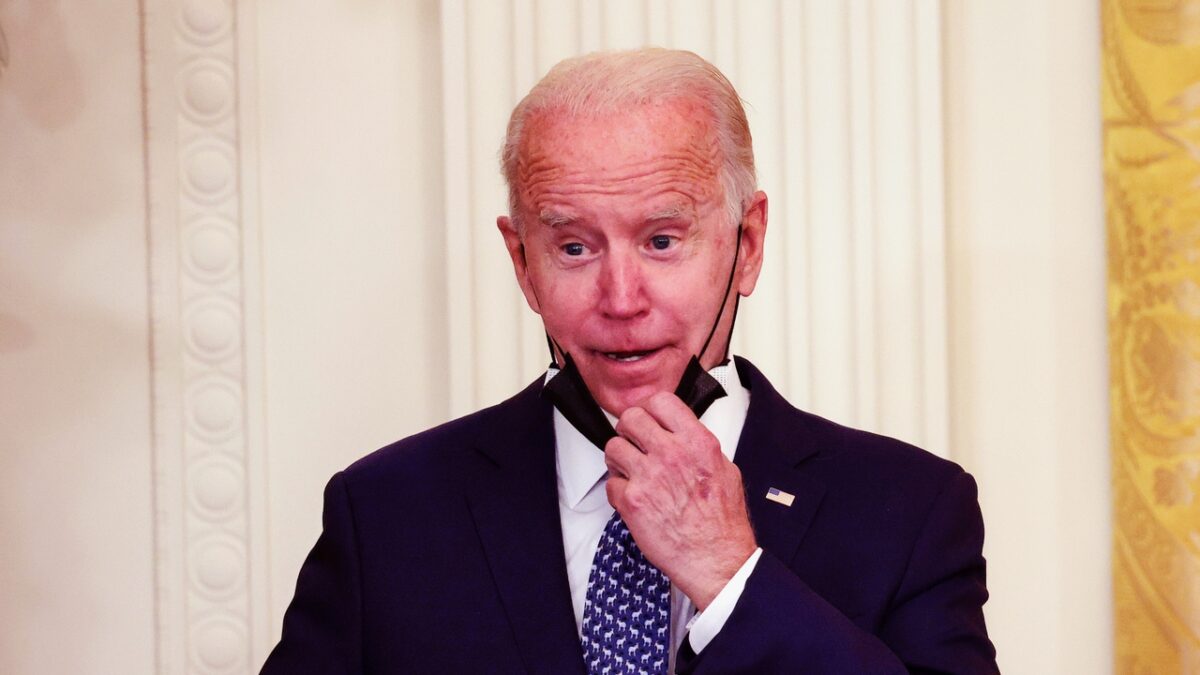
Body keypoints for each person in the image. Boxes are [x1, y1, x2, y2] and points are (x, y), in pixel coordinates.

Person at [261, 48, 998, 674]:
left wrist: (732, 577)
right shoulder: (386, 514)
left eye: (662, 241)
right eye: (574, 247)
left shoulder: (911, 511)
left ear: (747, 244)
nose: (620, 298)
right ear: (522, 261)